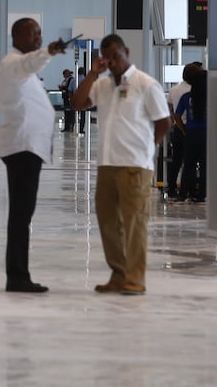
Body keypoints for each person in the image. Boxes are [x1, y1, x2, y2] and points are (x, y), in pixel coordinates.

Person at [71, 34, 170, 295]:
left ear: (126, 52)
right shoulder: (102, 85)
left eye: (116, 55)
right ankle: (119, 274)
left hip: (135, 166)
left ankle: (135, 279)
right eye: (107, 57)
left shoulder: (145, 84)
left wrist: (147, 149)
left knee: (135, 224)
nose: (112, 62)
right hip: (107, 164)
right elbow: (77, 103)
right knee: (108, 223)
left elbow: (164, 122)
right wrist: (92, 74)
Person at [0, 18, 68, 293]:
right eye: (33, 33)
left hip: (28, 148)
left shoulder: (20, 67)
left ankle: (19, 274)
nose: (38, 36)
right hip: (22, 147)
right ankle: (17, 276)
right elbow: (30, 64)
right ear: (18, 36)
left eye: (40, 32)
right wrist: (48, 51)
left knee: (22, 214)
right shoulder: (14, 64)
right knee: (20, 215)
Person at [174, 70, 207, 202]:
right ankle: (202, 194)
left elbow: (177, 116)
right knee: (205, 165)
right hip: (206, 134)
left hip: (191, 134)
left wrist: (184, 130)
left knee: (188, 165)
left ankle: (185, 193)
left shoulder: (186, 96)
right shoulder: (211, 96)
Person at [59, 69, 76, 133]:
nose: (63, 76)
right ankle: (67, 127)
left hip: (69, 99)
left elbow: (69, 89)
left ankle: (70, 127)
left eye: (64, 74)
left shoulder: (71, 80)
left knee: (71, 113)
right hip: (65, 98)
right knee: (66, 113)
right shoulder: (65, 80)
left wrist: (63, 88)